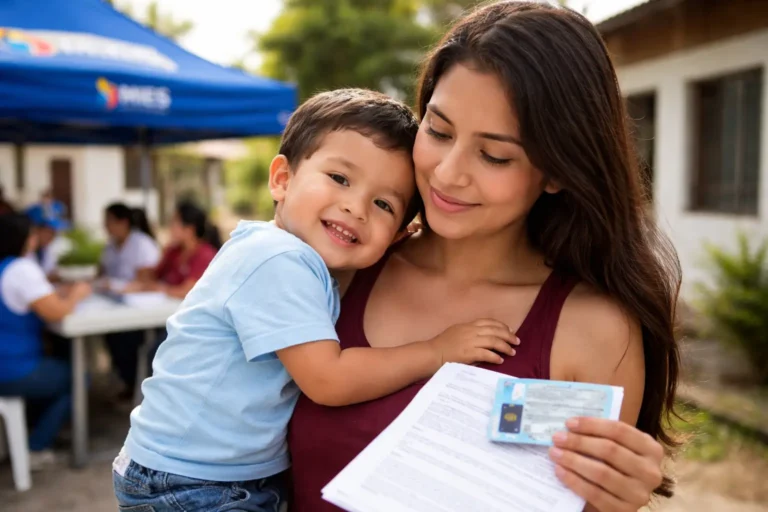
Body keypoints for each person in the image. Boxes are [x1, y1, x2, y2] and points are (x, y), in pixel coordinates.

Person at [288, 3, 682, 512]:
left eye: (495, 155)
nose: (448, 173)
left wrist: (615, 499)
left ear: (558, 170)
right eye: (438, 131)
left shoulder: (593, 329)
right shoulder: (339, 267)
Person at [112, 88, 518, 512]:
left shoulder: (297, 260)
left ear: (399, 232)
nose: (355, 208)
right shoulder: (277, 259)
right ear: (282, 179)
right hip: (191, 481)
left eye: (383, 204)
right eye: (340, 179)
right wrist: (436, 350)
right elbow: (329, 379)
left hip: (206, 472)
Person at [0, 213, 91, 468]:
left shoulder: (6, 267)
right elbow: (57, 312)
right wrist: (77, 294)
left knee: (58, 366)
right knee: (78, 378)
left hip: (7, 365)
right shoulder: (21, 269)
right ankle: (35, 447)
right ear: (22, 238)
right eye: (32, 234)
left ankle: (39, 428)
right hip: (12, 370)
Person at [100, 203, 162, 400]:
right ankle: (127, 381)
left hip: (140, 310)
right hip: (115, 304)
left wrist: (122, 286)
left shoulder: (142, 244)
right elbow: (100, 272)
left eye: (109, 221)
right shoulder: (110, 246)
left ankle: (133, 384)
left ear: (123, 222)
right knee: (110, 335)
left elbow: (147, 279)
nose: (106, 226)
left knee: (125, 340)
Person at [126, 201, 219, 300]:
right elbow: (154, 276)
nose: (170, 227)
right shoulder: (173, 251)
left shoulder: (205, 254)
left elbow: (187, 291)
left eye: (174, 222)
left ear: (189, 229)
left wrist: (159, 288)